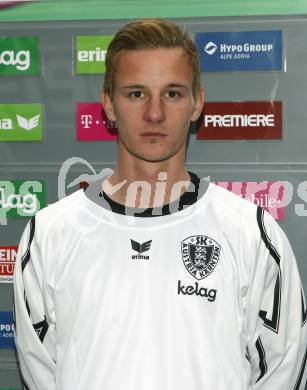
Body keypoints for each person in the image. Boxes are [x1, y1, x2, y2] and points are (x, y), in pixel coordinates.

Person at [14, 19, 306, 390]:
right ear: (108, 103)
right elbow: (41, 372)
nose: (154, 114)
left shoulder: (251, 233)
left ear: (197, 102)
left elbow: (283, 368)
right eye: (136, 93)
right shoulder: (50, 234)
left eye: (172, 93)